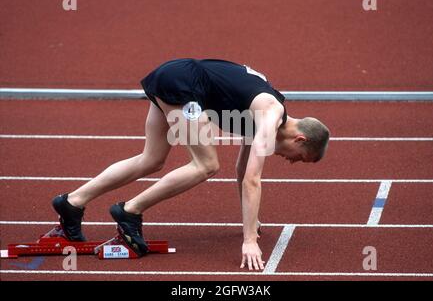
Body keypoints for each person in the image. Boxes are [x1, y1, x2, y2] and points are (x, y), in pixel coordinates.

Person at [52, 58, 330, 271]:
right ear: (300, 139)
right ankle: (129, 211)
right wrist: (249, 241)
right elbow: (252, 180)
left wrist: (252, 219)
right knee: (205, 165)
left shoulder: (266, 113)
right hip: (183, 85)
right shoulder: (271, 115)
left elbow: (243, 171)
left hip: (175, 76)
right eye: (299, 158)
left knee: (151, 159)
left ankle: (72, 202)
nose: (291, 162)